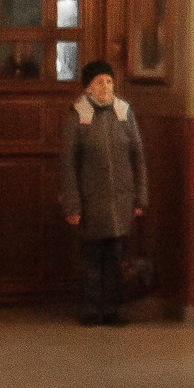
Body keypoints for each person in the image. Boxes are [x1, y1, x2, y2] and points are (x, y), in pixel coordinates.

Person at [59, 60, 145, 325]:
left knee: (115, 257)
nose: (106, 86)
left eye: (109, 81)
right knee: (92, 259)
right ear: (88, 88)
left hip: (120, 201)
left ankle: (112, 309)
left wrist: (140, 198)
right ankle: (92, 308)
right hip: (91, 202)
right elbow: (67, 164)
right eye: (99, 82)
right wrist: (72, 205)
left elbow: (138, 158)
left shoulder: (124, 113)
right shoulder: (78, 116)